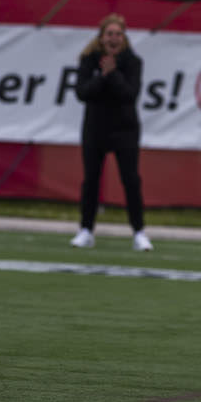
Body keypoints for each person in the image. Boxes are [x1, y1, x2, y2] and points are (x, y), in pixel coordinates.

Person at [69, 14, 151, 252]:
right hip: (95, 129)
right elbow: (82, 92)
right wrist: (101, 76)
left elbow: (129, 95)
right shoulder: (88, 60)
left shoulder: (133, 62)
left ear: (124, 38)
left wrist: (113, 74)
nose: (114, 38)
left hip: (125, 130)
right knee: (91, 180)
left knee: (131, 180)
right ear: (102, 37)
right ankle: (86, 230)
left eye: (118, 34)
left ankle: (139, 232)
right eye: (109, 34)